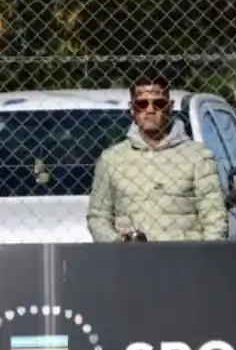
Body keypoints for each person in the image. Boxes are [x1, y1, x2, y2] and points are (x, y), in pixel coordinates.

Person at [87, 74, 228, 242]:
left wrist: (204, 255)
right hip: (130, 256)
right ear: (132, 109)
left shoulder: (198, 157)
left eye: (158, 103)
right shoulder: (112, 159)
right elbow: (98, 217)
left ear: (169, 107)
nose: (150, 110)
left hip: (183, 255)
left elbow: (215, 219)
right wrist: (117, 242)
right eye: (142, 104)